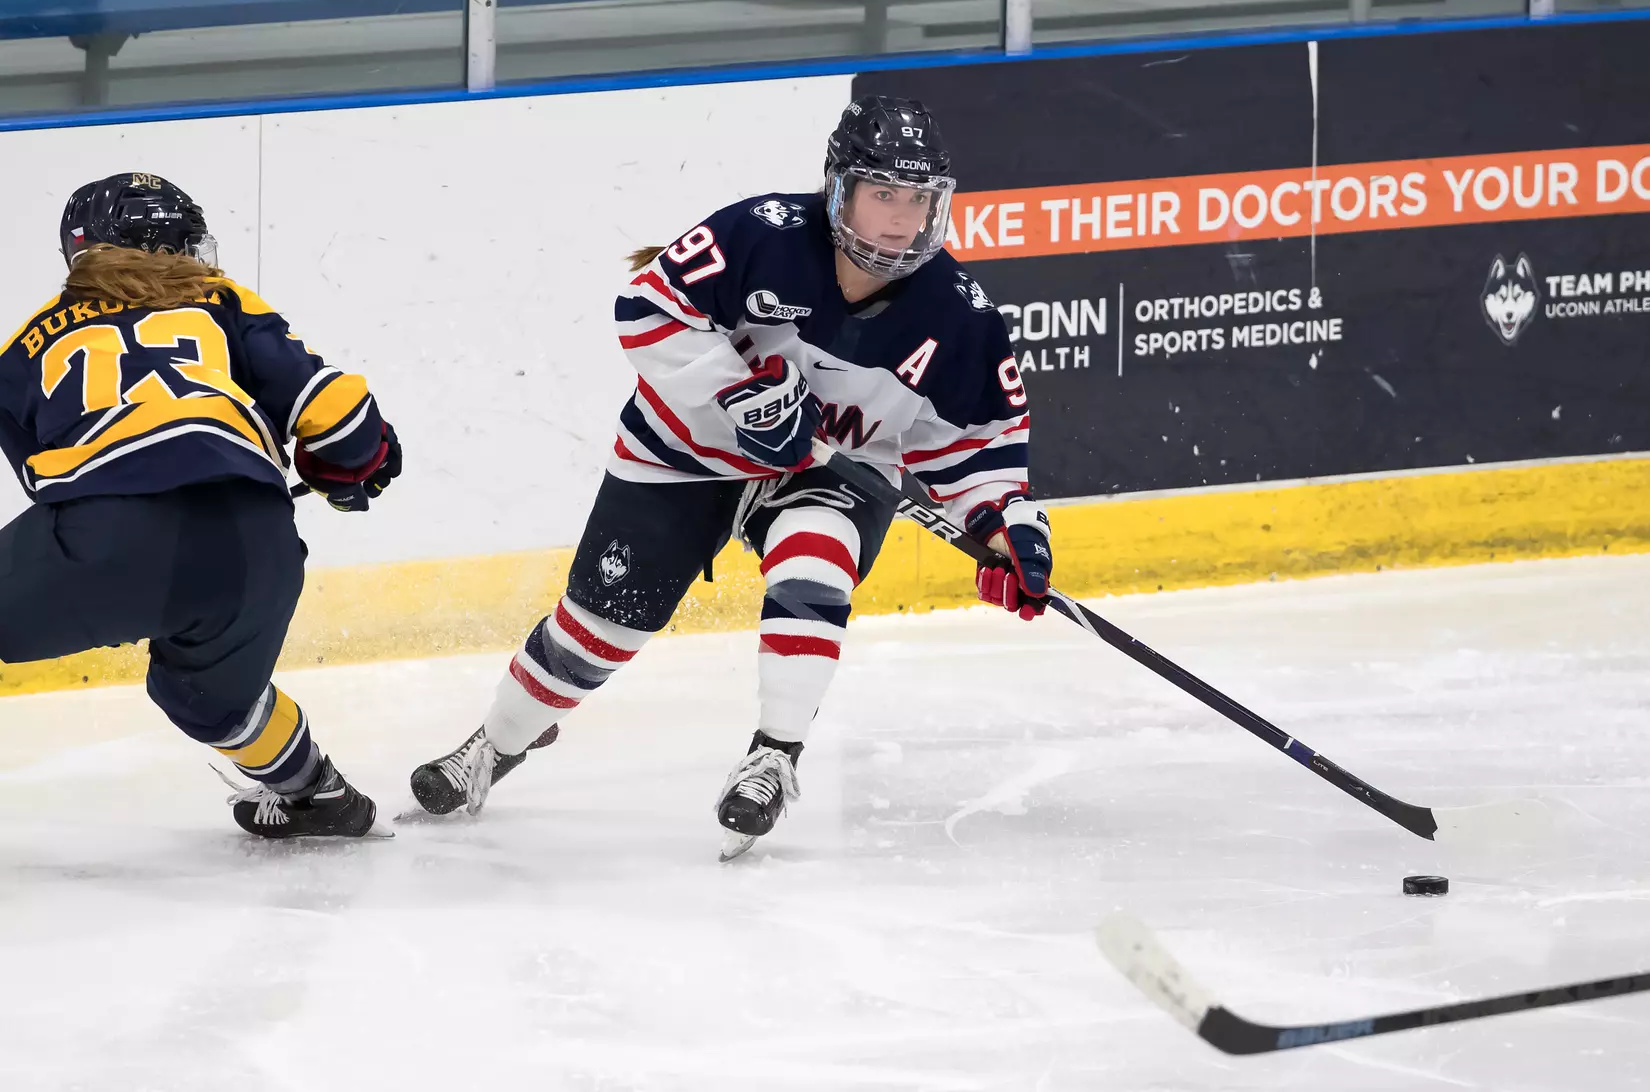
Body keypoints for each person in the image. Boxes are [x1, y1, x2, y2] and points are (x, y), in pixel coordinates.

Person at [409, 96, 1053, 858]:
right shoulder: (760, 234)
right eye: (883, 194)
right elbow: (648, 308)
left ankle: (774, 756)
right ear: (839, 188)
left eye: (917, 200)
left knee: (816, 562)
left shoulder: (959, 314)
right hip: (686, 452)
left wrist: (1001, 521)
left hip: (828, 475)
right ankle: (498, 742)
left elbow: (978, 443)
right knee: (600, 630)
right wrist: (739, 396)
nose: (901, 221)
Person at [0, 172, 402, 839]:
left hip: (108, 535)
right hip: (257, 544)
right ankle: (315, 791)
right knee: (202, 698)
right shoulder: (223, 301)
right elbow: (345, 423)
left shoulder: (26, 347)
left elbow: (49, 482)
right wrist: (352, 468)